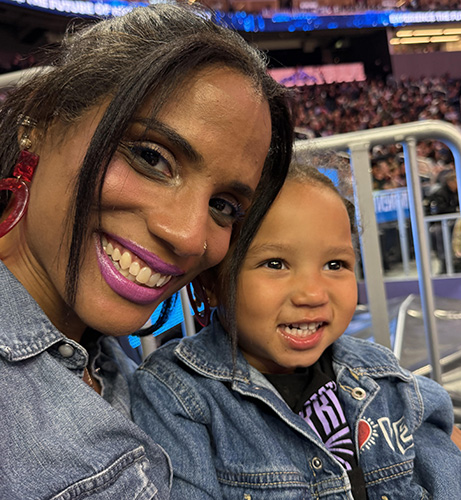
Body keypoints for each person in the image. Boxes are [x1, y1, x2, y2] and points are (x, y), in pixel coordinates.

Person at [0, 3, 294, 498]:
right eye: (152, 158)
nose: (190, 236)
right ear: (43, 123)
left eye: (223, 205)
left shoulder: (97, 355)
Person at [131, 163, 461, 499]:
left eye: (335, 264)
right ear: (210, 284)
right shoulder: (175, 396)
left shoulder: (384, 376)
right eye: (275, 264)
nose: (313, 294)